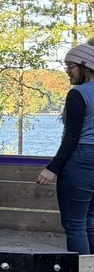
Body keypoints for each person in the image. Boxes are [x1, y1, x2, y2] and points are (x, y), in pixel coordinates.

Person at [38, 38, 94, 254]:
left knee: (75, 224)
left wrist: (53, 168)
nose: (67, 72)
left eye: (70, 67)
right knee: (90, 221)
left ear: (85, 66)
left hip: (81, 160)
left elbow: (71, 136)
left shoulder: (78, 94)